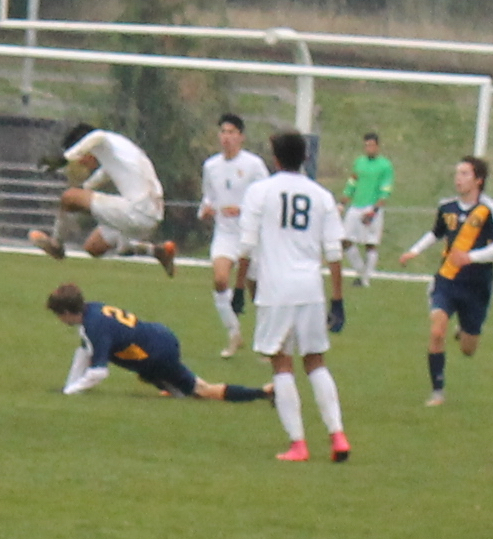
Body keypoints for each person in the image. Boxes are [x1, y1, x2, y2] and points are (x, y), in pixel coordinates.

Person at [239, 130, 350, 463]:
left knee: (281, 363)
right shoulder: (321, 196)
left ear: (275, 158)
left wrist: (238, 287)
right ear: (305, 158)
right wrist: (338, 299)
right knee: (315, 361)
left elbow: (246, 246)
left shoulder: (260, 192)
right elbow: (334, 252)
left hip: (276, 289)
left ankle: (298, 444)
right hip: (311, 289)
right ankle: (338, 435)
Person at [46, 283, 275, 404]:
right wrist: (69, 387)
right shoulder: (93, 309)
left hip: (157, 354)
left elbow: (98, 372)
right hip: (159, 336)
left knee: (200, 391)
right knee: (154, 379)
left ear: (66, 312)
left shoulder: (94, 326)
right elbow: (85, 352)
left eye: (59, 315)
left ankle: (263, 392)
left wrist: (72, 390)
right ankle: (171, 387)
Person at [399, 156, 493, 407]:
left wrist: (471, 257)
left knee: (468, 349)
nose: (458, 178)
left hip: (476, 287)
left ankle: (464, 329)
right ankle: (438, 392)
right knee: (437, 331)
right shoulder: (447, 207)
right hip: (447, 281)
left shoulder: (488, 210)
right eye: (457, 173)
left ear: (478, 180)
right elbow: (436, 233)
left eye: (464, 174)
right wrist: (414, 251)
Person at [29, 123, 176, 276]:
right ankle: (158, 251)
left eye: (80, 158)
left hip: (138, 211)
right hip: (152, 214)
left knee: (68, 197)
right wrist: (86, 187)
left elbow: (97, 136)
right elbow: (106, 172)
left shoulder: (101, 139)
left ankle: (56, 245)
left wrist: (66, 158)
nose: (81, 162)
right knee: (93, 247)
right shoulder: (119, 146)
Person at [198, 114, 269, 358]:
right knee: (220, 280)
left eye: (231, 132)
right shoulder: (211, 166)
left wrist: (242, 209)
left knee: (257, 291)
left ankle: (266, 342)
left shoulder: (254, 165)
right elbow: (208, 197)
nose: (226, 137)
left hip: (251, 235)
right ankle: (234, 333)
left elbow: (266, 198)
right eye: (223, 132)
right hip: (225, 233)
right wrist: (206, 209)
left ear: (241, 136)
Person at [339, 132, 394, 287]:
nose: (369, 148)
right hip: (356, 205)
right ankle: (361, 271)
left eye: (371, 145)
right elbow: (352, 183)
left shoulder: (385, 165)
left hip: (372, 206)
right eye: (366, 145)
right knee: (344, 239)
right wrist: (342, 202)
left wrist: (375, 210)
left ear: (377, 146)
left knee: (370, 243)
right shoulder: (359, 162)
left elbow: (386, 189)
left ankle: (365, 279)